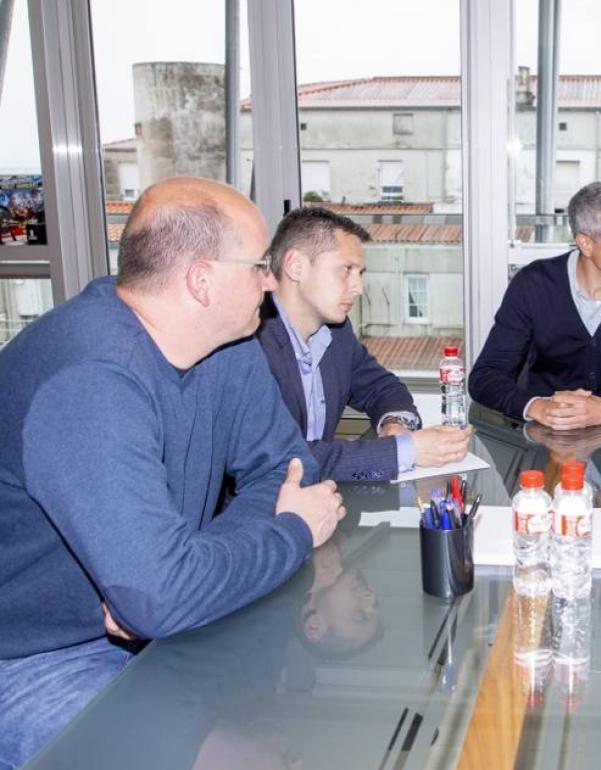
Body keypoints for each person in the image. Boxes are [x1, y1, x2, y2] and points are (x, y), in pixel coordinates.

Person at [0, 177, 346, 769]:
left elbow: (288, 471)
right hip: (31, 658)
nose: (271, 280)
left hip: (157, 629)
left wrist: (181, 571)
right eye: (260, 264)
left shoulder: (227, 345)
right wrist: (289, 533)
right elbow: (159, 597)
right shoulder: (89, 378)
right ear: (202, 279)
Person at [258, 207, 471, 482]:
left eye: (360, 273)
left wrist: (396, 424)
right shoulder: (250, 342)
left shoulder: (336, 332)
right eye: (346, 270)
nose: (358, 288)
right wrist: (403, 451)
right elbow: (282, 460)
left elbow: (382, 387)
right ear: (296, 266)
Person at [468, 181, 601, 430]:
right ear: (586, 244)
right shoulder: (534, 284)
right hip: (545, 442)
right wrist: (538, 406)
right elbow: (485, 377)